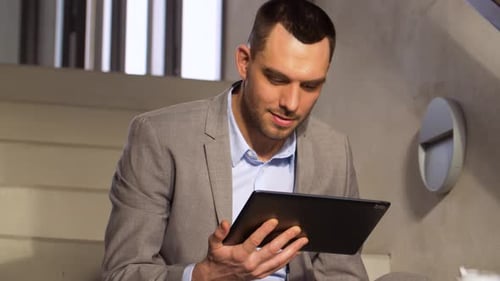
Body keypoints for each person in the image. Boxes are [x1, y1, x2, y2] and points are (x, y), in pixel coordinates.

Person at [102, 0, 369, 280]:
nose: (291, 103)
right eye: (277, 79)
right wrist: (203, 276)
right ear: (244, 62)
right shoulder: (160, 138)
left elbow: (343, 272)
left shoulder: (333, 151)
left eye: (310, 86)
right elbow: (123, 273)